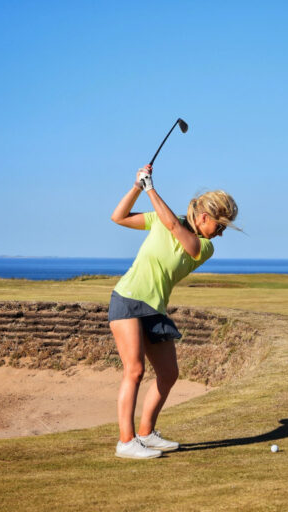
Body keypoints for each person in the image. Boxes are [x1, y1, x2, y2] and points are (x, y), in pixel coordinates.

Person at [108, 164, 238, 459]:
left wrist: (152, 187)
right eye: (219, 226)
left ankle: (146, 433)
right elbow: (118, 217)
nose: (220, 233)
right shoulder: (160, 219)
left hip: (154, 307)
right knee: (135, 370)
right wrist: (139, 187)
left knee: (168, 373)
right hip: (127, 299)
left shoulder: (204, 247)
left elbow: (179, 232)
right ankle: (126, 442)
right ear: (204, 217)